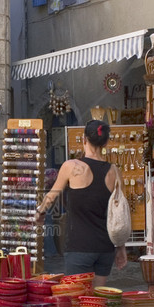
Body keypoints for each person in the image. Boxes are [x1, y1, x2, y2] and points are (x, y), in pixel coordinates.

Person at [36, 119, 127, 287]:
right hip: (105, 247)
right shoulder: (114, 171)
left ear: (84, 139)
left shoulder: (71, 166)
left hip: (79, 246)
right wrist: (120, 247)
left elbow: (51, 196)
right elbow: (120, 213)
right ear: (106, 142)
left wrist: (39, 213)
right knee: (97, 302)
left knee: (76, 300)